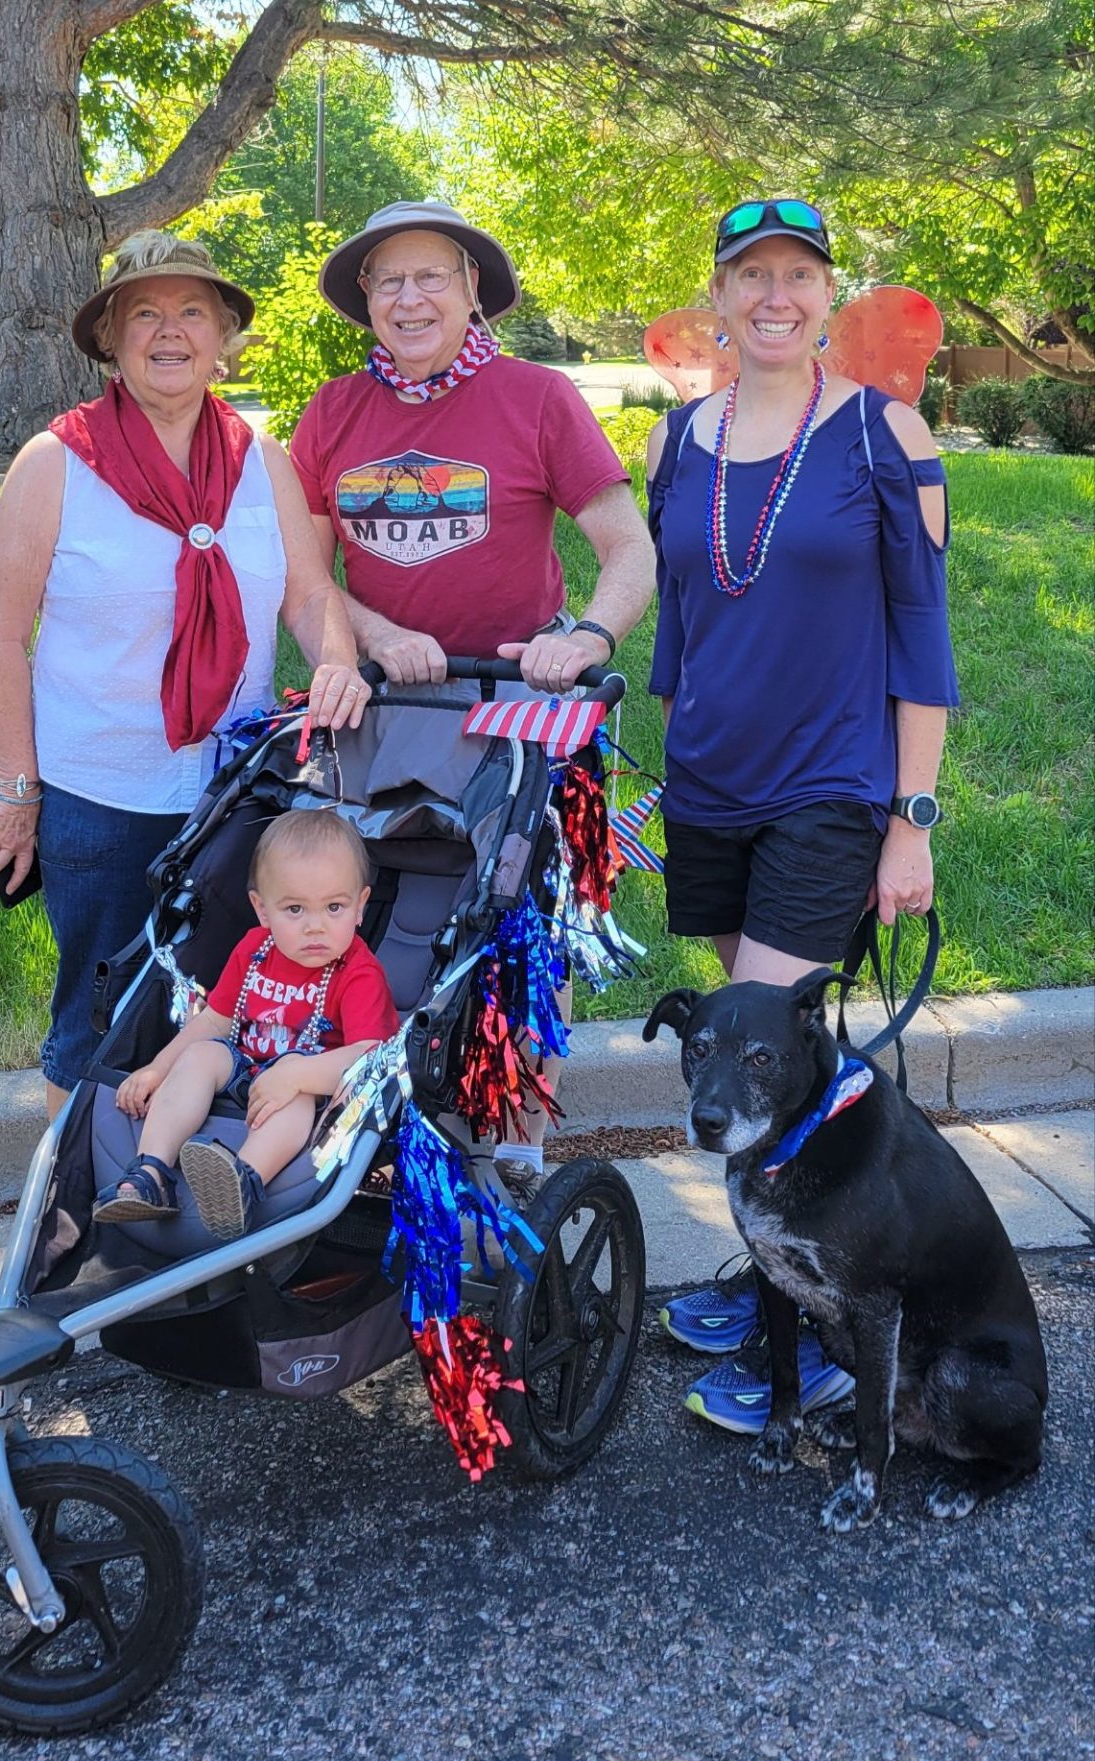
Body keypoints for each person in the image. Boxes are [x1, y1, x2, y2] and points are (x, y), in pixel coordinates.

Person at [645, 197, 958, 1432]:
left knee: (764, 1063)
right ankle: (778, 1276)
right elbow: (680, 622)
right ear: (718, 297)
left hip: (829, 788)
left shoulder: (885, 434)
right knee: (761, 1065)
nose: (775, 295)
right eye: (751, 274)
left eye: (799, 275)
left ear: (828, 296)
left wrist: (910, 819)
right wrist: (667, 763)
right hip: (708, 789)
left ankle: (825, 1337)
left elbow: (923, 636)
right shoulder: (678, 440)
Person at [0, 230, 374, 1119]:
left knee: (224, 1017)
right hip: (100, 798)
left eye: (193, 310)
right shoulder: (55, 463)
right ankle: (69, 1194)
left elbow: (309, 593)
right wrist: (17, 790)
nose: (170, 330)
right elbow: (0, 639)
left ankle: (175, 1184)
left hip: (234, 801)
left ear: (222, 337)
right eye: (144, 312)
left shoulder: (262, 461)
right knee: (98, 1024)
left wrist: (337, 660)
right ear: (110, 338)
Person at [290, 199, 656, 1190]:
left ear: (471, 290)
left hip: (518, 706)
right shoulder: (331, 414)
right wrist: (375, 636)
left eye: (430, 277)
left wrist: (584, 638)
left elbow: (629, 548)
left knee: (526, 922)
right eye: (389, 280)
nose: (409, 299)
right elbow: (305, 580)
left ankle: (520, 1145)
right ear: (367, 299)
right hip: (384, 709)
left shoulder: (538, 399)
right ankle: (370, 1112)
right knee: (373, 913)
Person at [93, 810, 399, 1241]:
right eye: (295, 909)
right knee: (202, 1054)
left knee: (295, 1095)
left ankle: (242, 1183)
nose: (315, 926)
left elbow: (371, 1055)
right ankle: (151, 1172)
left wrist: (296, 1076)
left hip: (311, 1089)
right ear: (262, 909)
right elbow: (215, 1020)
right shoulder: (255, 949)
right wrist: (158, 1069)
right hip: (245, 1065)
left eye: (335, 907)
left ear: (360, 906)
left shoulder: (358, 972)